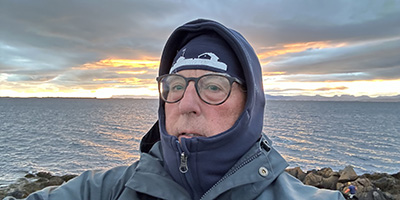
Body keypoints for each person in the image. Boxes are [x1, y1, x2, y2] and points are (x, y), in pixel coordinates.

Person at [26, 19, 345, 200]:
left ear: (250, 103)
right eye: (176, 86)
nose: (187, 105)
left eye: (213, 87)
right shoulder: (107, 190)